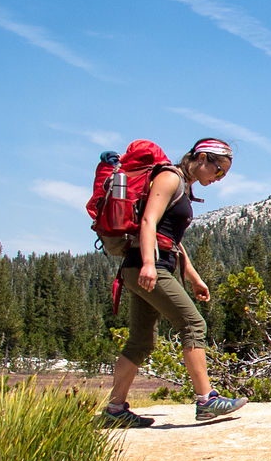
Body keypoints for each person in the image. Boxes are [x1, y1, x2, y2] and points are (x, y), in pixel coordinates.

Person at [100, 138, 247, 427]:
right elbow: (148, 223)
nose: (219, 179)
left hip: (153, 264)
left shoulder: (183, 185)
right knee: (193, 324)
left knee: (141, 342)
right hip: (148, 266)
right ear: (202, 159)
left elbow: (172, 240)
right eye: (218, 171)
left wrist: (192, 276)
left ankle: (115, 410)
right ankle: (206, 400)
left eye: (224, 174)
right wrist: (147, 263)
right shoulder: (169, 178)